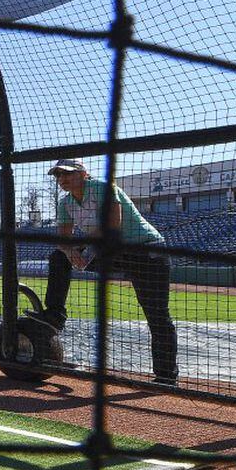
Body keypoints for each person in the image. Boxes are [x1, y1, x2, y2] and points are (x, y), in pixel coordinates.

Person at [29, 158, 177, 385]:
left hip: (146, 251)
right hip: (110, 252)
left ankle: (166, 376)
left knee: (157, 315)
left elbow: (112, 226)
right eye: (58, 175)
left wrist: (84, 251)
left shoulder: (103, 189)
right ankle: (55, 315)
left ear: (84, 174)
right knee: (59, 257)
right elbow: (62, 240)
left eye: (67, 173)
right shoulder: (65, 203)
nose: (63, 179)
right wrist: (70, 252)